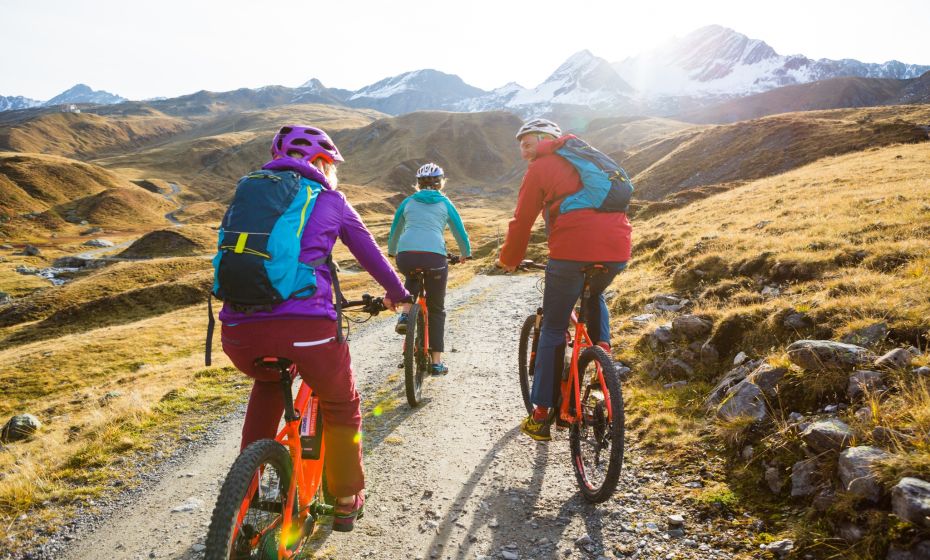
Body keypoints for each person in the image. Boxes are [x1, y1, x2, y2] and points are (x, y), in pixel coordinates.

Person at [219, 125, 410, 531]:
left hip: (238, 331)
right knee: (342, 405)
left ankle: (245, 489)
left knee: (269, 382)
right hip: (308, 329)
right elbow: (370, 254)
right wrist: (398, 293)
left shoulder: (248, 194)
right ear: (322, 162)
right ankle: (345, 499)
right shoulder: (330, 199)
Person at [497, 118, 632, 442]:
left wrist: (509, 260)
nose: (522, 147)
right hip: (616, 248)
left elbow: (522, 220)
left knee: (554, 327)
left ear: (546, 138)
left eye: (527, 140)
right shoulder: (587, 158)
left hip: (571, 250)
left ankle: (541, 415)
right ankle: (603, 359)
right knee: (594, 292)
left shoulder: (541, 167)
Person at [387, 162, 472, 375]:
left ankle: (406, 313)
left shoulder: (407, 202)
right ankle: (436, 363)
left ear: (417, 184)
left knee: (412, 275)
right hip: (434, 258)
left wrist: (393, 251)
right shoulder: (445, 203)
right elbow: (459, 232)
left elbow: (395, 230)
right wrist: (465, 253)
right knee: (436, 310)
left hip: (406, 256)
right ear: (441, 183)